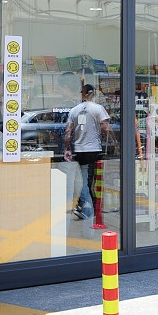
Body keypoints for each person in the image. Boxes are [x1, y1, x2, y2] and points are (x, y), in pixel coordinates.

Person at [64, 84, 110, 221]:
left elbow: (68, 133)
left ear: (82, 94)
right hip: (95, 150)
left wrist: (67, 149)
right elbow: (105, 127)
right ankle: (89, 211)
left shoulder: (74, 110)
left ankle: (86, 208)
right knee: (89, 181)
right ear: (93, 94)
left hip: (80, 151)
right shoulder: (98, 108)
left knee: (84, 180)